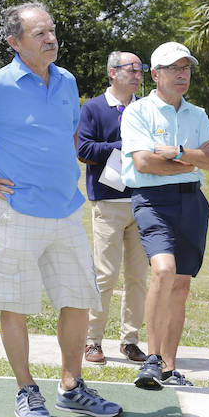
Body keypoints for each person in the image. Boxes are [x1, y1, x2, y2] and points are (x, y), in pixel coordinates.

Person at [0, 3, 122, 417]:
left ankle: (72, 386)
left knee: (78, 299)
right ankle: (26, 390)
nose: (50, 38)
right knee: (15, 303)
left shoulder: (67, 81)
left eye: (51, 30)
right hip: (15, 211)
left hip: (66, 210)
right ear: (15, 43)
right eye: (40, 33)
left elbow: (71, 132)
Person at [121, 41, 209, 389]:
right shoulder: (138, 112)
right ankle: (151, 360)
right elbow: (144, 163)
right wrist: (195, 160)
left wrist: (180, 153)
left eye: (186, 68)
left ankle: (169, 367)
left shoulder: (197, 115)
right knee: (164, 271)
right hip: (152, 201)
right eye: (174, 68)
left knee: (181, 285)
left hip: (192, 203)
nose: (182, 74)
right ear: (155, 75)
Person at [76, 51, 150, 365]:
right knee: (105, 276)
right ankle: (92, 341)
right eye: (130, 69)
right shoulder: (93, 108)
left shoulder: (148, 109)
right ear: (112, 72)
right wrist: (123, 145)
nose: (137, 74)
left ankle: (130, 341)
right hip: (108, 202)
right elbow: (84, 149)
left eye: (141, 69)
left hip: (145, 202)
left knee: (138, 278)